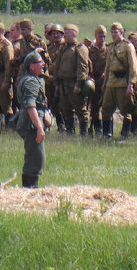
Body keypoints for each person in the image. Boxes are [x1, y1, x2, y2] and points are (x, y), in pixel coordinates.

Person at [15, 50, 48, 188]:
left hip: (29, 123)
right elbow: (30, 106)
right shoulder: (31, 82)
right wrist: (40, 127)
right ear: (31, 66)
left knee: (35, 156)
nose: (43, 65)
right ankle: (29, 190)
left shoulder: (32, 79)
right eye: (40, 62)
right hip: (31, 125)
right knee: (35, 158)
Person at [101, 22, 137, 140]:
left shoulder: (128, 46)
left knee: (125, 110)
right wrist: (105, 83)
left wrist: (131, 84)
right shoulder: (110, 47)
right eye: (112, 32)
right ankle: (107, 134)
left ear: (121, 32)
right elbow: (107, 66)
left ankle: (125, 134)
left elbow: (133, 66)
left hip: (123, 83)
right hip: (111, 83)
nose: (113, 34)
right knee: (106, 109)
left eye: (115, 32)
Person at [54, 24, 91, 135]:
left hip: (74, 84)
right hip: (63, 85)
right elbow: (57, 66)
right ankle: (70, 133)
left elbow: (83, 67)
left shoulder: (80, 48)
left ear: (74, 34)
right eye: (64, 33)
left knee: (81, 110)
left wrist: (79, 84)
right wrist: (56, 82)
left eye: (67, 33)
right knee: (66, 110)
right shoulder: (63, 48)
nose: (64, 35)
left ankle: (84, 134)